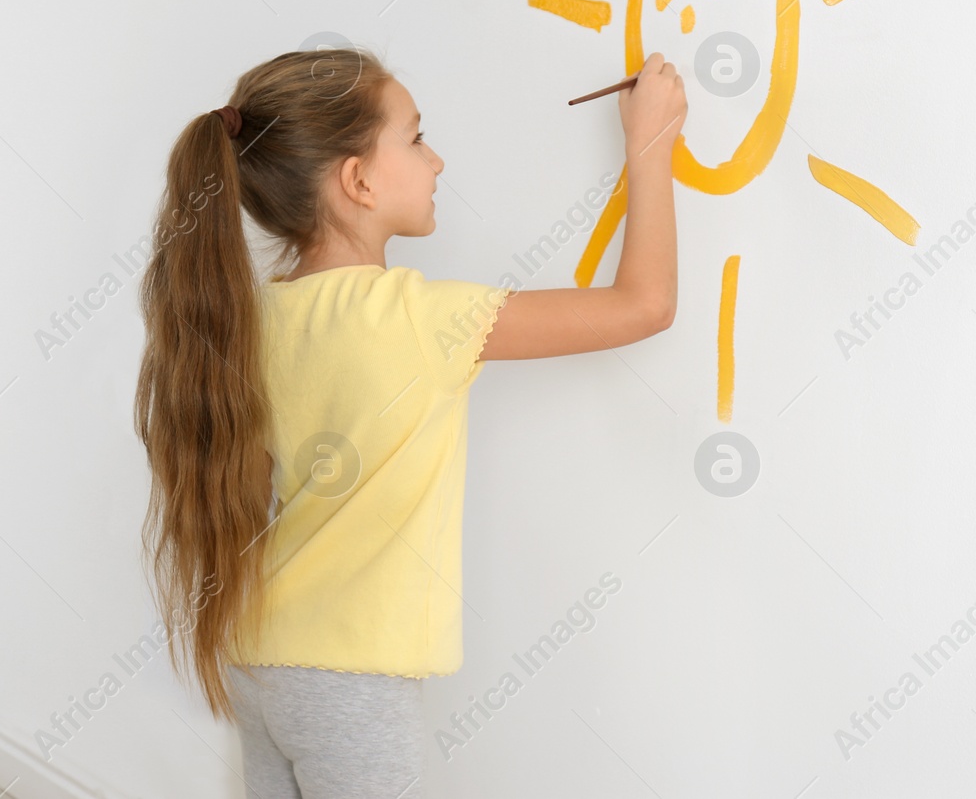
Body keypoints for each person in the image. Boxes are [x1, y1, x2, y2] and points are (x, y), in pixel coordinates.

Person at [133, 47, 685, 797]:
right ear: (357, 181)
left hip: (259, 652)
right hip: (347, 677)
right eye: (417, 138)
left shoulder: (257, 317)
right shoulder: (420, 320)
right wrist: (652, 138)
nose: (438, 160)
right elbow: (643, 304)